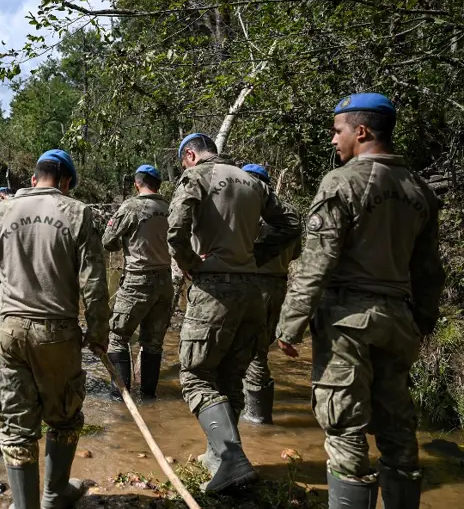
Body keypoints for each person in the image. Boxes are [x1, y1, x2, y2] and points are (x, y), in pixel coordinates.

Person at [275, 94, 444, 509]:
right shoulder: (418, 189)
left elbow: (318, 262)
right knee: (398, 429)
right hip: (399, 322)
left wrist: (289, 324)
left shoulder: (342, 182)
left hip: (349, 322)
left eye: (338, 131)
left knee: (345, 427)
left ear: (361, 131)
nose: (334, 140)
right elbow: (429, 271)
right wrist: (422, 320)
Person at [0, 149, 110, 509]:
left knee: (17, 424)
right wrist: (98, 334)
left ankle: (25, 505)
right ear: (65, 182)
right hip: (57, 331)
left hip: (9, 330)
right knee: (64, 417)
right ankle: (55, 493)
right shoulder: (78, 213)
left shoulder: (0, 212)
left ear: (34, 179)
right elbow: (94, 283)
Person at [167, 133, 300, 492]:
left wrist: (190, 263)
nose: (185, 166)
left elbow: (176, 230)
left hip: (215, 289)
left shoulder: (196, 176)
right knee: (230, 376)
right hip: (252, 290)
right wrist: (254, 255)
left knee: (194, 375)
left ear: (190, 154)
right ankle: (221, 458)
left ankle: (230, 459)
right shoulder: (253, 181)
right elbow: (291, 223)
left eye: (183, 160)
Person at [102, 165, 173, 400]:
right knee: (153, 343)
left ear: (137, 183)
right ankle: (149, 397)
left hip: (138, 280)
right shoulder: (169, 207)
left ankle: (120, 398)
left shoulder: (132, 207)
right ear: (158, 184)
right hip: (165, 281)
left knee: (118, 337)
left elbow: (108, 240)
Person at [239, 164, 302, 425]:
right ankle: (254, 410)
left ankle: (256, 416)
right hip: (279, 285)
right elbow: (296, 252)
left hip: (254, 285)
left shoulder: (249, 212)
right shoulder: (287, 214)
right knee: (261, 346)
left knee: (252, 350)